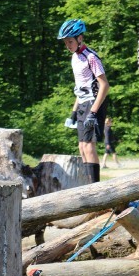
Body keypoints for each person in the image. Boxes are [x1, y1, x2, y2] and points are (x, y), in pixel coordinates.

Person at [57, 18, 109, 183]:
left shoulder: (90, 57)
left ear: (80, 38)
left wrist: (93, 112)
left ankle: (95, 188)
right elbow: (81, 88)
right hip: (82, 103)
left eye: (70, 41)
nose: (68, 45)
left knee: (88, 145)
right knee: (81, 146)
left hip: (94, 103)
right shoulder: (74, 58)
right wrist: (73, 111)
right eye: (65, 42)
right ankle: (88, 185)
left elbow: (104, 85)